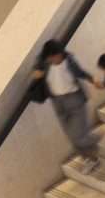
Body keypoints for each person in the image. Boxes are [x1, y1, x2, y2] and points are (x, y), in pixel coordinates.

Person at [33, 41, 101, 173]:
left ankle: (93, 146)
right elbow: (37, 72)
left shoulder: (69, 61)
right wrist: (37, 74)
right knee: (71, 137)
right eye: (52, 57)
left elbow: (81, 72)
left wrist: (93, 80)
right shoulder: (44, 63)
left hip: (74, 99)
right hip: (57, 102)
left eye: (58, 56)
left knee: (78, 136)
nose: (56, 59)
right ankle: (88, 158)